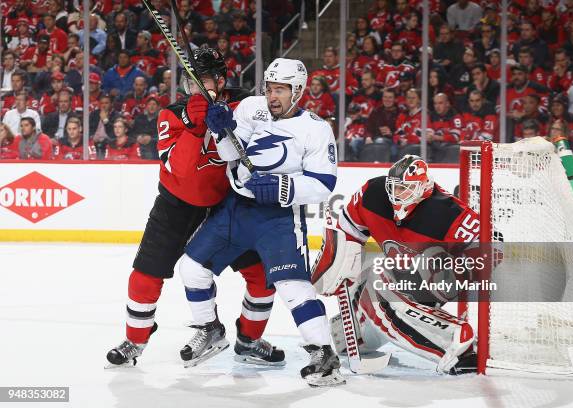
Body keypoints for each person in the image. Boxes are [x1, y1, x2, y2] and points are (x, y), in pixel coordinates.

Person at [106, 47, 283, 368]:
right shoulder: (171, 114)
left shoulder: (246, 105)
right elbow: (181, 171)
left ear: (221, 80)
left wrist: (233, 126)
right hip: (176, 205)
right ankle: (136, 339)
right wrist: (195, 126)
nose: (196, 89)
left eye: (204, 82)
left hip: (230, 204)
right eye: (191, 83)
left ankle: (249, 339)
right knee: (144, 276)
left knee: (261, 275)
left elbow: (270, 147)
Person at [175, 58, 344, 387]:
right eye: (269, 88)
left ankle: (324, 354)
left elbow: (324, 183)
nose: (272, 96)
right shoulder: (252, 108)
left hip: (278, 219)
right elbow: (229, 153)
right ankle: (210, 331)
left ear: (297, 91)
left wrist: (284, 187)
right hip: (234, 209)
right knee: (192, 269)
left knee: (291, 286)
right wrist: (220, 127)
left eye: (280, 89)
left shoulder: (316, 128)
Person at [312, 155, 479, 375]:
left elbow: (491, 249)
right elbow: (347, 230)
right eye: (395, 187)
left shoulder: (446, 211)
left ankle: (457, 344)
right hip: (402, 273)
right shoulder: (373, 194)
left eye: (405, 188)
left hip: (437, 277)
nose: (397, 195)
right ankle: (364, 332)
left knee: (379, 290)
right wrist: (338, 266)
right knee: (347, 336)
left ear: (423, 187)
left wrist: (450, 275)